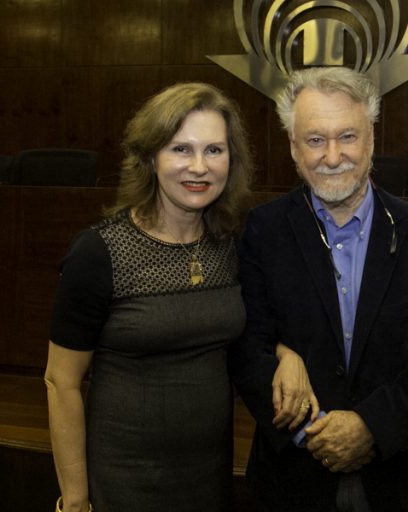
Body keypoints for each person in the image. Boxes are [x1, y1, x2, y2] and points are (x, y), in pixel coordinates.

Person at [228, 66, 408, 512]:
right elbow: (247, 347)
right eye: (315, 140)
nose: (332, 156)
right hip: (293, 479)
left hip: (402, 477)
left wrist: (372, 428)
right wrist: (311, 431)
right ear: (293, 147)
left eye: (347, 136)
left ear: (371, 139)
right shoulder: (263, 231)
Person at [44, 82, 253, 512]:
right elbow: (60, 382)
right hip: (123, 482)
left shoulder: (231, 245)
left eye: (214, 150)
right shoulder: (99, 251)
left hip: (208, 479)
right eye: (181, 149)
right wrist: (76, 501)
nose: (199, 167)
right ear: (150, 158)